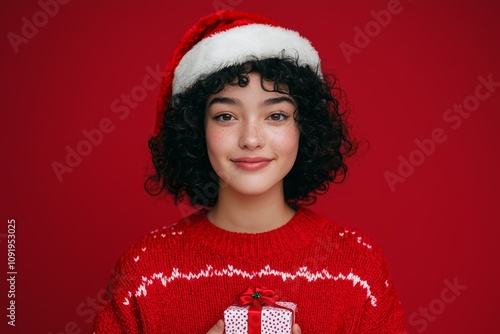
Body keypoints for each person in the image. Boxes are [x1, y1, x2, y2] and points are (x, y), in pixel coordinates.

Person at [93, 10, 406, 333]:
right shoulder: (144, 270)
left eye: (277, 115)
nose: (251, 139)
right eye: (226, 116)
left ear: (306, 127)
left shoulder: (358, 268)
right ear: (196, 129)